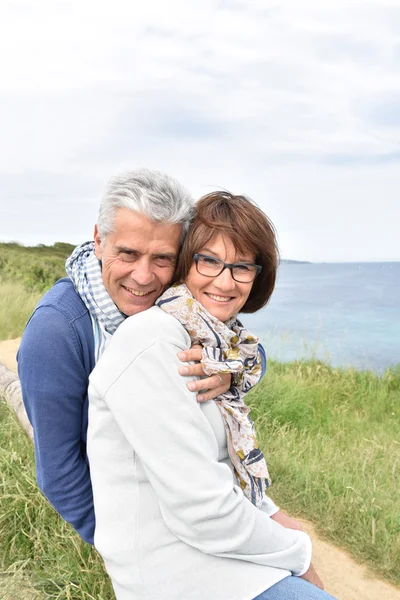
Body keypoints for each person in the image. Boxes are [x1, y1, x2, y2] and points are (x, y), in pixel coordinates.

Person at [88, 192, 335, 600]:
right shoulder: (155, 343)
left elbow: (216, 464)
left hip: (216, 559)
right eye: (209, 261)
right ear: (187, 262)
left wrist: (272, 513)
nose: (225, 281)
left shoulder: (216, 346)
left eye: (241, 267)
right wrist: (300, 554)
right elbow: (202, 513)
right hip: (180, 574)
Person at [17, 169, 255, 544]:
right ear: (98, 240)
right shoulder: (57, 332)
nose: (144, 277)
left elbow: (248, 349)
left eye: (162, 258)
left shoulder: (178, 302)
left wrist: (228, 374)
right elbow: (59, 472)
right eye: (127, 253)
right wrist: (121, 547)